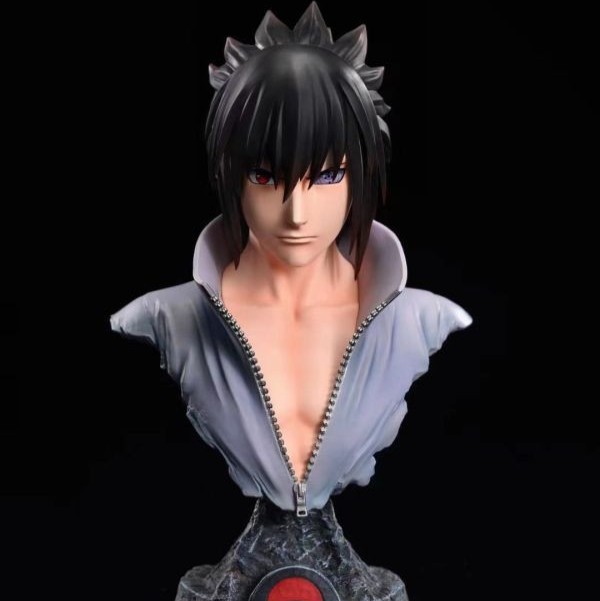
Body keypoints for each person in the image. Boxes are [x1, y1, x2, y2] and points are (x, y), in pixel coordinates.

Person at [109, 3, 473, 599]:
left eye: (326, 176)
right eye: (265, 176)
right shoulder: (170, 319)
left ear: (362, 173)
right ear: (228, 173)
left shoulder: (416, 321)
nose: (297, 214)